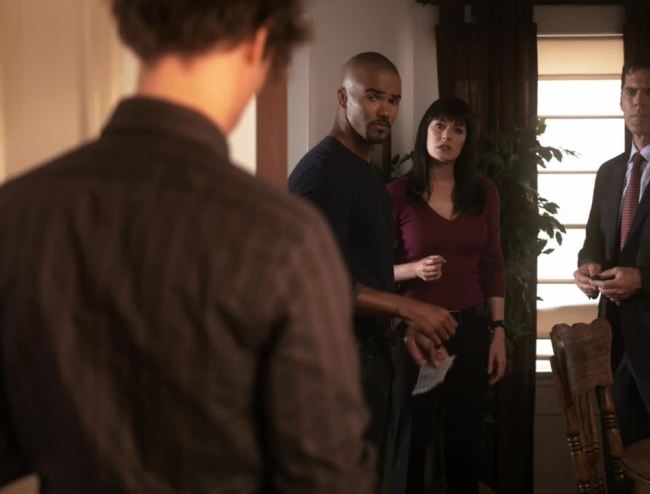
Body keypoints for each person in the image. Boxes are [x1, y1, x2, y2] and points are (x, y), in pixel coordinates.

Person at [0, 1, 376, 492]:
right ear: (260, 42)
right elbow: (326, 479)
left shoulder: (16, 211)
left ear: (139, 31)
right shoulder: (285, 239)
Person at [288, 53, 457, 477]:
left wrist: (403, 327)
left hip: (369, 365)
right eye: (373, 97)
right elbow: (314, 283)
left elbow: (365, 273)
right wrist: (407, 306)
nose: (385, 111)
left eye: (394, 100)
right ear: (343, 98)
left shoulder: (366, 174)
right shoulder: (321, 174)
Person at [388, 97, 506, 494]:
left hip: (468, 329)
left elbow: (493, 263)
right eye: (439, 126)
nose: (447, 136)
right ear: (425, 131)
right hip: (416, 333)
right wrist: (412, 269)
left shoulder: (484, 193)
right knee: (412, 441)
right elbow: (372, 270)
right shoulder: (398, 194)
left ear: (467, 140)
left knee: (465, 445)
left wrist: (499, 330)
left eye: (458, 129)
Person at [574, 54, 650, 446]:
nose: (639, 101)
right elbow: (593, 241)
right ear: (621, 101)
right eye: (631, 92)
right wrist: (587, 266)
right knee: (618, 460)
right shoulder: (609, 172)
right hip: (614, 344)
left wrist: (645, 279)